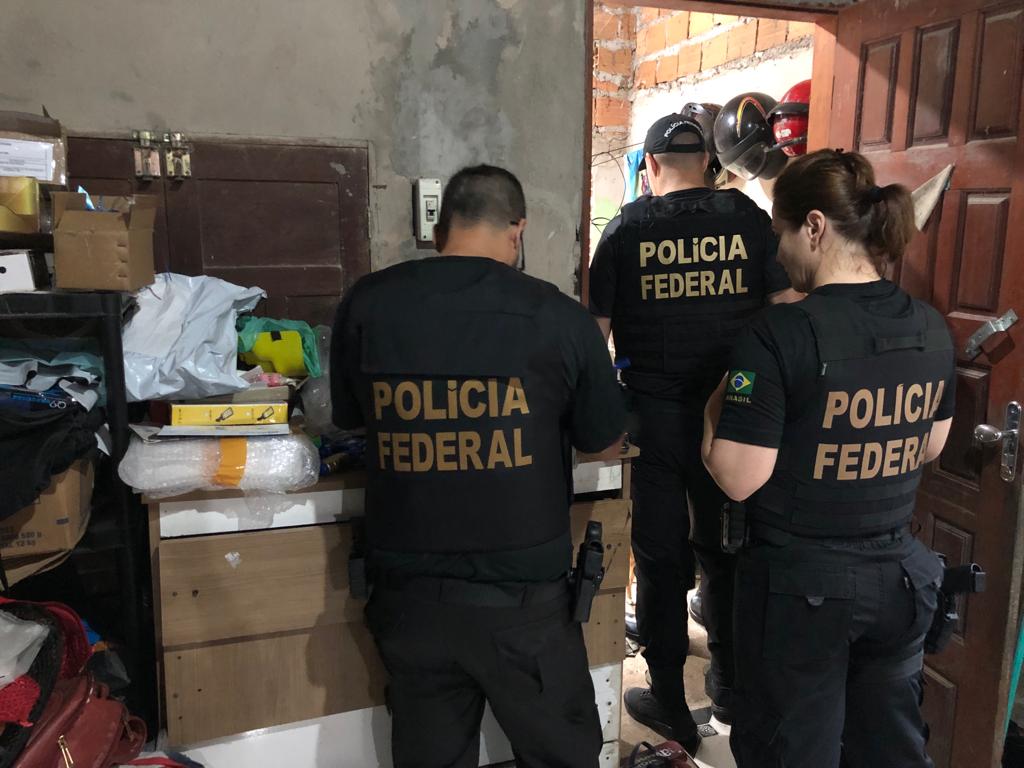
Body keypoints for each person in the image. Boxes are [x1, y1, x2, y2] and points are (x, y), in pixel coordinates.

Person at [331, 164, 626, 768]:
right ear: (518, 231)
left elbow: (352, 420)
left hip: (409, 603)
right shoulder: (560, 317)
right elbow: (603, 441)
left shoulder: (368, 303)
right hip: (525, 610)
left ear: (440, 229)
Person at [702, 148, 955, 768]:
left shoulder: (777, 334)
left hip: (802, 592)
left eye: (780, 233)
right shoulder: (928, 325)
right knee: (887, 748)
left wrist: (720, 393)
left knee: (792, 750)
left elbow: (737, 478)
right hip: (899, 581)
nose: (778, 252)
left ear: (813, 227)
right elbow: (930, 444)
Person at [588, 108, 796, 751]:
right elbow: (786, 315)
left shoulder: (624, 231)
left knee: (658, 559)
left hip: (652, 420)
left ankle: (672, 705)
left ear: (649, 166)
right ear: (710, 162)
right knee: (727, 551)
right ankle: (730, 691)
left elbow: (596, 342)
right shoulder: (750, 222)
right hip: (733, 415)